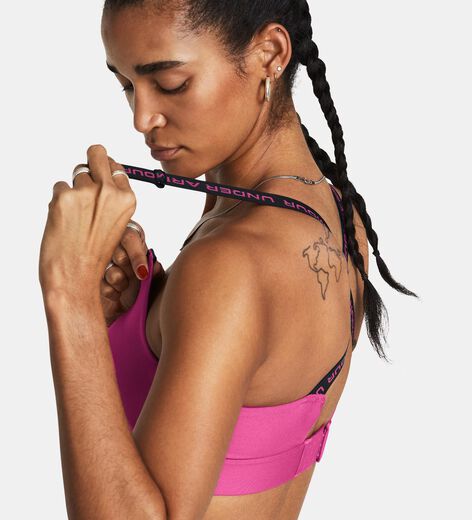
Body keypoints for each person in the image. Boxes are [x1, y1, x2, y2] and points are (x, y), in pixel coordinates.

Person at [39, 1, 419, 518]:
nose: (141, 118)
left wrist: (70, 295)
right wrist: (147, 318)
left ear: (270, 54)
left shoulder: (229, 263)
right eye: (126, 84)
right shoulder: (336, 214)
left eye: (170, 83)